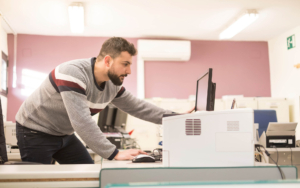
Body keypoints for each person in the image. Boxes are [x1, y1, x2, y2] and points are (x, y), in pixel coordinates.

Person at [15, 37, 193, 164]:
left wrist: (174, 117)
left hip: (64, 134)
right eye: (125, 64)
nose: (129, 71)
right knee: (38, 181)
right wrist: (114, 153)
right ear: (107, 61)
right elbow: (82, 121)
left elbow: (139, 107)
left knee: (87, 175)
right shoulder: (73, 73)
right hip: (35, 131)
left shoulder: (111, 84)